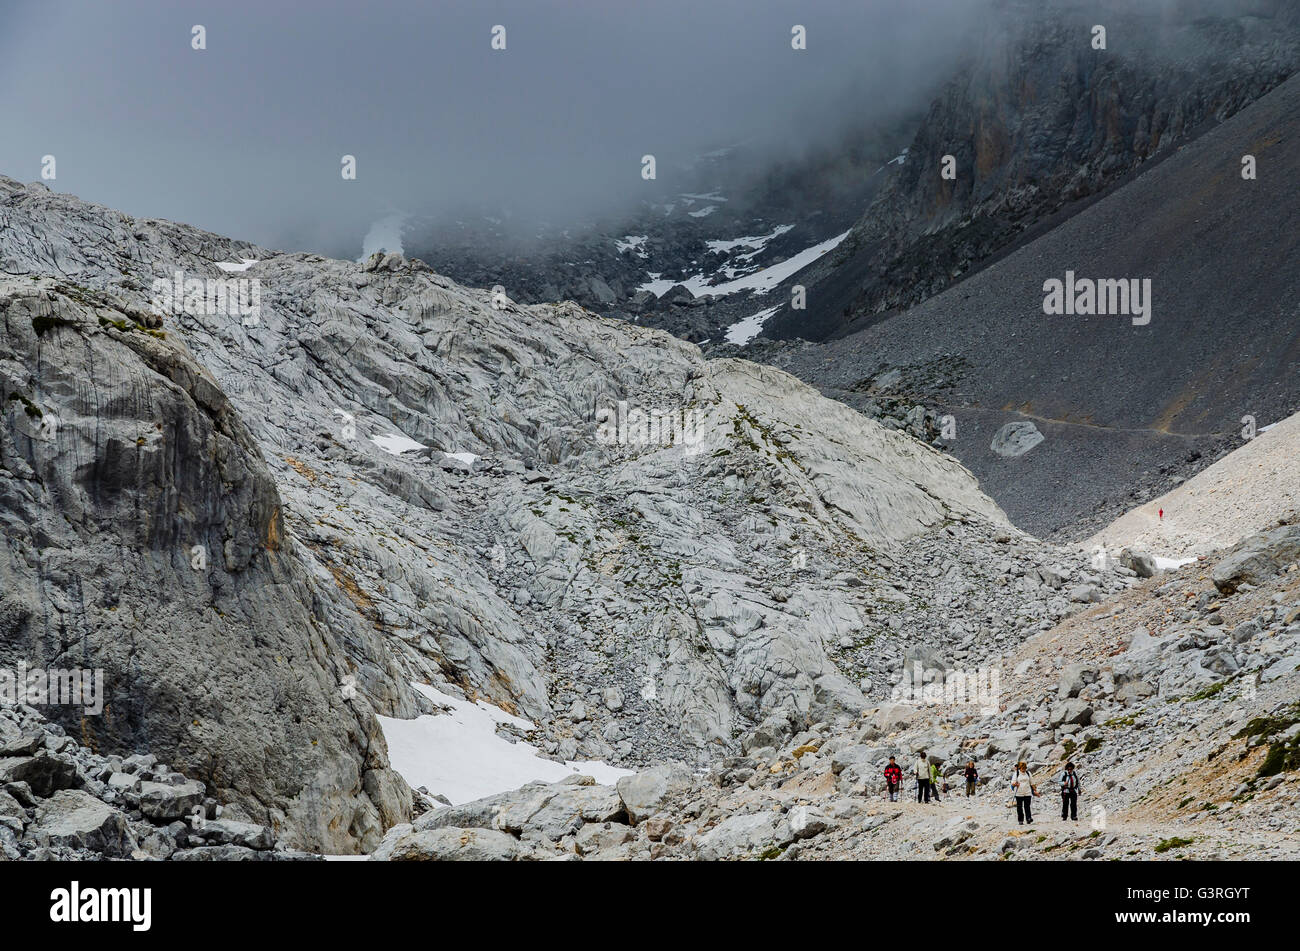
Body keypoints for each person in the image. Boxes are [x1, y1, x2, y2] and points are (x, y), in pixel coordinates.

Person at [1010, 760, 1036, 825]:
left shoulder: (1028, 773)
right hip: (1019, 793)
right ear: (1020, 768)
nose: (1024, 770)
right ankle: (1020, 820)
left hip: (1027, 792)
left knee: (1027, 806)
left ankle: (1028, 818)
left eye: (1025, 768)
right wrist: (1015, 784)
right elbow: (1012, 783)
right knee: (1019, 807)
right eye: (1022, 768)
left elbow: (1032, 782)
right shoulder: (1016, 774)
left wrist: (1035, 790)